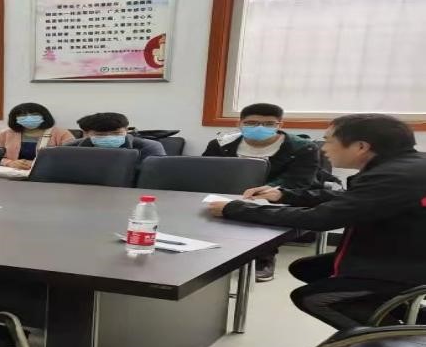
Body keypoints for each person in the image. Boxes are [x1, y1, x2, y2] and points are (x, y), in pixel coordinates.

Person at [208, 114, 426, 331]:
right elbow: (355, 200)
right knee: (309, 269)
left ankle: (391, 339)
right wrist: (285, 195)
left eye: (329, 141)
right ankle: (407, 316)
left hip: (406, 265)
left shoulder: (394, 177)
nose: (324, 149)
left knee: (314, 298)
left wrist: (235, 209)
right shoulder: (405, 167)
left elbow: (320, 218)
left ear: (360, 146)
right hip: (401, 252)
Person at [203, 102, 325, 282]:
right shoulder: (220, 144)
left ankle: (263, 258)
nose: (259, 128)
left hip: (278, 194)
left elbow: (299, 180)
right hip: (229, 192)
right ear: (240, 123)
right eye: (251, 123)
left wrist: (267, 191)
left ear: (279, 125)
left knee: (262, 210)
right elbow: (206, 171)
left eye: (268, 124)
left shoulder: (303, 147)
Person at [0, 103, 74, 171]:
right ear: (15, 118)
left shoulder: (61, 133)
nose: (28, 118)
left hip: (48, 174)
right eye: (22, 115)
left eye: (34, 114)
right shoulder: (5, 133)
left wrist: (35, 164)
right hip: (12, 175)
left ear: (44, 116)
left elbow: (72, 158)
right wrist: (10, 163)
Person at [69, 112, 166, 163]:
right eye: (100, 135)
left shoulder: (149, 147)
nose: (109, 137)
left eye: (116, 133)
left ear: (126, 130)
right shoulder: (70, 148)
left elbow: (155, 176)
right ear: (85, 133)